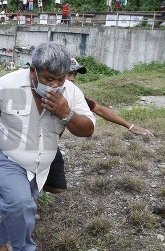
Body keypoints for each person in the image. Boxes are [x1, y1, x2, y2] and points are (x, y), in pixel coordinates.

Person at [0, 43, 95, 251]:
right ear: (32, 70)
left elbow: (87, 130)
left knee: (26, 206)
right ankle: (24, 248)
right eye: (48, 79)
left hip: (40, 164)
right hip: (5, 155)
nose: (55, 85)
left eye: (60, 79)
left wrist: (66, 113)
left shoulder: (72, 94)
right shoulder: (5, 85)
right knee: (18, 203)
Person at [44, 58, 154, 194]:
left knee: (57, 186)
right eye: (69, 74)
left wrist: (130, 126)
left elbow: (99, 109)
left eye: (75, 75)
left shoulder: (73, 95)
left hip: (50, 143)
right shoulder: (38, 90)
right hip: (26, 141)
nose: (72, 79)